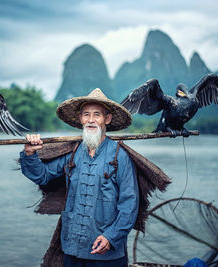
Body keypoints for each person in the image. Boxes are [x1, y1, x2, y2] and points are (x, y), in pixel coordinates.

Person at [20, 88, 139, 267]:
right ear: (80, 119)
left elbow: (129, 204)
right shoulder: (73, 154)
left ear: (107, 119)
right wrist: (29, 154)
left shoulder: (119, 156)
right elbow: (42, 176)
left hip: (107, 253)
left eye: (97, 115)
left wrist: (111, 236)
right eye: (86, 115)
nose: (91, 120)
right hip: (72, 247)